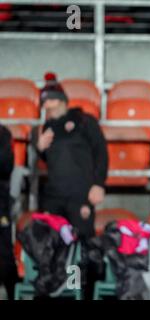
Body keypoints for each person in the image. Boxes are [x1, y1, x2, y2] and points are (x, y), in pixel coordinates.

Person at [35, 72, 108, 297]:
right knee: (52, 246)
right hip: (54, 196)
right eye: (44, 102)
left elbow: (101, 154)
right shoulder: (45, 128)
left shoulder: (85, 121)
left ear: (62, 99)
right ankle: (56, 290)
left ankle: (82, 292)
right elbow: (44, 163)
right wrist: (39, 148)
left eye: (50, 100)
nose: (46, 105)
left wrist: (98, 184)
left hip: (80, 195)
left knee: (82, 246)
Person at [0, 124, 19, 299]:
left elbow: (6, 165)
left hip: (0, 203)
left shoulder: (3, 133)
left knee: (4, 253)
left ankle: (13, 293)